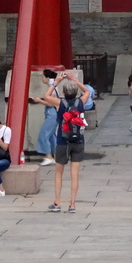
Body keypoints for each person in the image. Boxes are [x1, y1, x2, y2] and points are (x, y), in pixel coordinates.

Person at [43, 72, 90, 213]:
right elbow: (87, 90)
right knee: (74, 173)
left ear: (63, 92)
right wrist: (74, 79)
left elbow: (46, 97)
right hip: (78, 140)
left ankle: (57, 202)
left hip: (62, 141)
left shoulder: (59, 103)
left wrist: (56, 81)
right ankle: (72, 204)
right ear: (76, 92)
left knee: (59, 173)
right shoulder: (81, 102)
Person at [29, 70, 59, 166]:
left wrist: (39, 100)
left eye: (43, 76)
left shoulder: (51, 88)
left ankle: (48, 156)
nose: (42, 78)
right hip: (53, 113)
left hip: (52, 113)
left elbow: (51, 103)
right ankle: (56, 155)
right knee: (51, 135)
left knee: (44, 134)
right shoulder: (53, 87)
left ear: (47, 78)